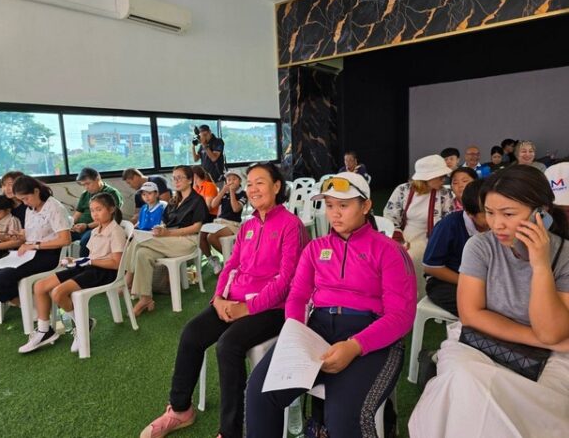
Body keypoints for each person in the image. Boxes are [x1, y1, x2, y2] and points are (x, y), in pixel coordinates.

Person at [139, 162, 308, 438]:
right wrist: (218, 298)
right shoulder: (248, 225)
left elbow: (286, 281)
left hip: (272, 308)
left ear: (277, 186)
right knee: (192, 334)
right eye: (249, 184)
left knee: (228, 345)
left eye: (260, 182)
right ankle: (180, 410)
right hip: (233, 301)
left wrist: (247, 308)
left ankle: (230, 432)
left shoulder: (291, 226)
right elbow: (230, 265)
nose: (253, 189)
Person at [245, 171, 417, 438]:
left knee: (343, 418)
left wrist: (354, 346)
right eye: (329, 205)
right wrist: (296, 334)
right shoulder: (315, 248)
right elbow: (297, 297)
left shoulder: (389, 250)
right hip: (319, 330)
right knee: (260, 392)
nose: (335, 214)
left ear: (366, 206)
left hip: (371, 333)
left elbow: (401, 316)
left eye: (344, 205)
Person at [409, 165, 569, 437]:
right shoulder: (480, 246)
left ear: (541, 213)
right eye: (490, 213)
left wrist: (540, 266)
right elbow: (471, 315)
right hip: (482, 343)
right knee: (465, 381)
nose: (497, 224)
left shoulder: (563, 255)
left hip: (551, 357)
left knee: (540, 402)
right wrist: (542, 340)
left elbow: (551, 331)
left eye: (508, 214)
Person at [18, 193, 126, 353]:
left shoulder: (116, 231)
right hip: (90, 267)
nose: (95, 214)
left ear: (111, 209)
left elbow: (116, 263)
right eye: (92, 210)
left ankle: (83, 325)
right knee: (40, 286)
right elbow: (92, 256)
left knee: (57, 293)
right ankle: (44, 331)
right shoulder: (96, 230)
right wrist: (75, 260)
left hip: (105, 272)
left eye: (99, 209)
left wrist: (88, 261)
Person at [0, 176, 72, 323]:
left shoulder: (54, 207)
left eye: (26, 198)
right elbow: (33, 233)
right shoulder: (30, 208)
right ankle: (26, 304)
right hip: (29, 252)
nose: (25, 202)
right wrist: (21, 235)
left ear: (36, 191)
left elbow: (65, 240)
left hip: (48, 254)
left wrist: (35, 245)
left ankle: (32, 305)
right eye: (21, 200)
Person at [124, 166, 208, 317]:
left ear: (190, 180)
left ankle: (127, 279)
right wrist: (161, 228)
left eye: (180, 177)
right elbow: (165, 222)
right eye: (174, 178)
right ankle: (145, 298)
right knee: (142, 253)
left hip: (187, 241)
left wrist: (169, 233)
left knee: (137, 240)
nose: (176, 181)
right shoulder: (174, 200)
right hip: (168, 240)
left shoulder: (197, 200)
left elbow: (197, 227)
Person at [384, 154, 454, 297]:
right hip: (404, 234)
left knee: (413, 257)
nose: (444, 179)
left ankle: (418, 297)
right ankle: (400, 296)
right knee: (397, 257)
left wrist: (437, 241)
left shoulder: (444, 194)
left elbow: (448, 221)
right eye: (440, 176)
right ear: (428, 177)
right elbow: (390, 215)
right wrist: (397, 238)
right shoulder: (403, 190)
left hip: (433, 237)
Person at [422, 179, 488, 316]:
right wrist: (471, 282)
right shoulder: (449, 225)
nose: (497, 219)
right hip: (447, 282)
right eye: (488, 213)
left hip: (484, 279)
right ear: (470, 213)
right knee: (479, 307)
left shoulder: (498, 226)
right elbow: (430, 267)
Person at [202, 169, 248, 275]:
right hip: (220, 222)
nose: (231, 181)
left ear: (240, 181)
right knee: (202, 234)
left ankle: (232, 260)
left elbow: (236, 209)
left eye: (234, 179)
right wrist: (223, 190)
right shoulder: (224, 192)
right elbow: (213, 204)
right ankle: (214, 260)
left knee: (211, 237)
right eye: (229, 179)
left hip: (233, 224)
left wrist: (231, 192)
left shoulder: (243, 194)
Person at [71, 167, 123, 257]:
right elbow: (77, 214)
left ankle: (85, 263)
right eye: (83, 185)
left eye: (88, 183)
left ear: (97, 178)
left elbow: (112, 217)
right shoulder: (85, 194)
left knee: (85, 241)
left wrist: (87, 226)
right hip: (81, 227)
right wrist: (71, 225)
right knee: (61, 236)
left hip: (97, 226)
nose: (86, 187)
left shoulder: (111, 193)